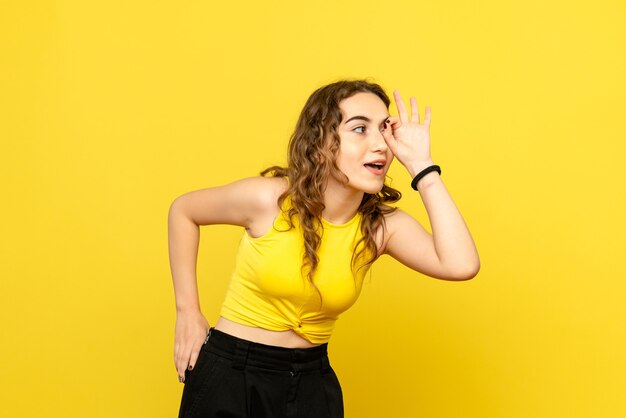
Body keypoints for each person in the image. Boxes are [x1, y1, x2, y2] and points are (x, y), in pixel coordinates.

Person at [168, 79, 480, 418]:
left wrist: (423, 168)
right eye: (359, 128)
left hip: (310, 384)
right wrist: (188, 313)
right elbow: (184, 211)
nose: (380, 144)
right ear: (320, 143)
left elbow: (461, 265)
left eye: (385, 130)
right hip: (232, 378)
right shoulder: (269, 200)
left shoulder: (380, 228)